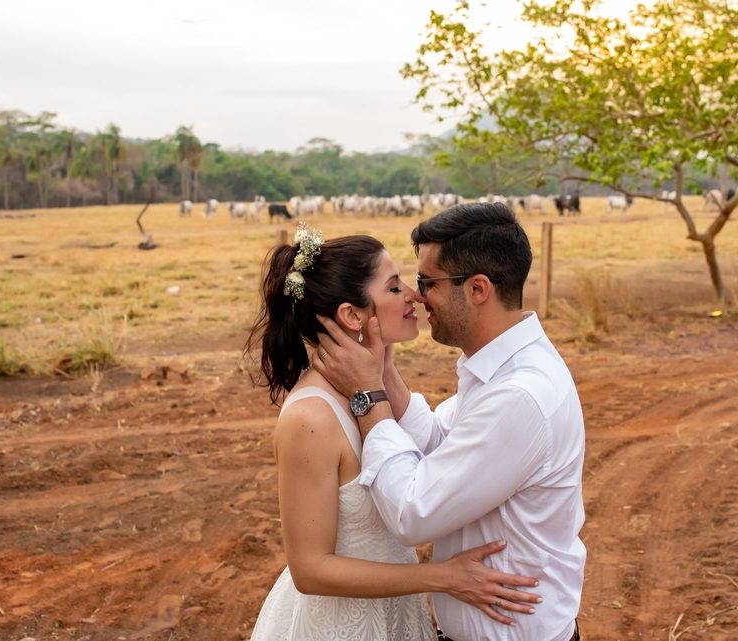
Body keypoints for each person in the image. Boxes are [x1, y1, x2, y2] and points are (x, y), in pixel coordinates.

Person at [245, 223, 542, 641]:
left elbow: (435, 457)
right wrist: (444, 577)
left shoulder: (373, 396)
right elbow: (309, 570)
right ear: (352, 315)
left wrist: (380, 370)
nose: (414, 296)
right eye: (394, 287)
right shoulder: (311, 418)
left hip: (396, 618)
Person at [312, 202, 587, 641]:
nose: (417, 296)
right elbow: (441, 442)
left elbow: (413, 512)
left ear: (477, 289)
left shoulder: (519, 394)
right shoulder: (499, 368)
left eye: (427, 282)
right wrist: (384, 370)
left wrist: (368, 396)